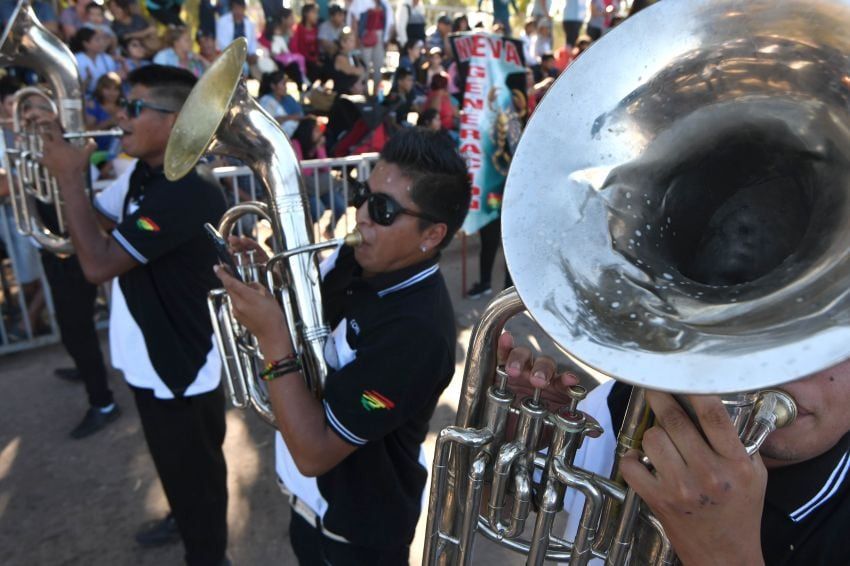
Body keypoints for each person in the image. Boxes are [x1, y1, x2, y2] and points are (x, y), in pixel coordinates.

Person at [499, 187, 850, 564]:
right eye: (770, 319)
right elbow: (516, 502)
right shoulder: (622, 405)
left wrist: (725, 555)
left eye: (834, 341)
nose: (789, 364)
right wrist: (526, 436)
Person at [215, 128, 470, 564]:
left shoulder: (418, 333)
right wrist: (274, 279)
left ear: (431, 235)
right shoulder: (359, 256)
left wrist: (273, 337)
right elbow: (315, 323)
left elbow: (315, 452)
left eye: (383, 209)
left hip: (358, 529)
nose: (362, 216)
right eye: (362, 196)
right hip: (308, 502)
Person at [37, 65, 229, 565]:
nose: (120, 117)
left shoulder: (190, 188)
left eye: (134, 107)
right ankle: (184, 521)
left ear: (174, 121)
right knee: (175, 469)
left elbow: (97, 264)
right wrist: (51, 168)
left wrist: (70, 175)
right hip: (148, 357)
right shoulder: (143, 173)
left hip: (181, 365)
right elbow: (84, 225)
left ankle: (207, 554)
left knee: (200, 483)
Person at [71, 28, 119, 96]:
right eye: (97, 40)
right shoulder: (76, 60)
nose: (101, 43)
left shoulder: (107, 59)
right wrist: (88, 79)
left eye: (101, 40)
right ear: (86, 44)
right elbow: (74, 89)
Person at [258, 69, 305, 137]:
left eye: (286, 84)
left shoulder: (289, 98)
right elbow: (268, 123)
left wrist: (284, 118)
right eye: (283, 84)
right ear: (273, 86)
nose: (286, 87)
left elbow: (300, 115)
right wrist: (289, 118)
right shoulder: (267, 100)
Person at [215, 0, 258, 67]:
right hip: (229, 58)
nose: (238, 11)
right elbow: (222, 45)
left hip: (246, 57)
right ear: (231, 9)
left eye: (241, 8)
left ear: (244, 8)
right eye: (236, 8)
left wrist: (252, 54)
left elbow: (252, 43)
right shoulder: (222, 22)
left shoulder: (250, 23)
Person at [290, 4, 322, 83]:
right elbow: (296, 48)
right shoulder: (298, 28)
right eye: (314, 12)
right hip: (303, 61)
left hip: (315, 59)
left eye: (317, 13)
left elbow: (317, 47)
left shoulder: (317, 29)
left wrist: (317, 58)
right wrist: (312, 60)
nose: (316, 15)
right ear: (306, 14)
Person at [332, 27, 367, 95]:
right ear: (342, 43)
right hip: (342, 95)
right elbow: (354, 71)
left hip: (353, 93)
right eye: (350, 41)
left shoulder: (353, 56)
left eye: (353, 41)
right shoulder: (339, 57)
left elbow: (363, 70)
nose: (353, 44)